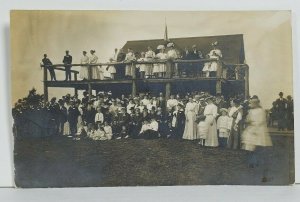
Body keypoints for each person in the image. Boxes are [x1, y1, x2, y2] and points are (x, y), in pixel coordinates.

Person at [241, 97, 272, 181]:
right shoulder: (251, 111)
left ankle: (259, 165)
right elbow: (248, 119)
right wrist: (248, 121)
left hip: (259, 130)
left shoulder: (261, 111)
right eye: (252, 103)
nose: (252, 104)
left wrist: (255, 127)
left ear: (257, 103)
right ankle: (252, 163)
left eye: (254, 103)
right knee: (250, 147)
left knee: (259, 147)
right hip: (253, 129)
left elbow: (262, 121)